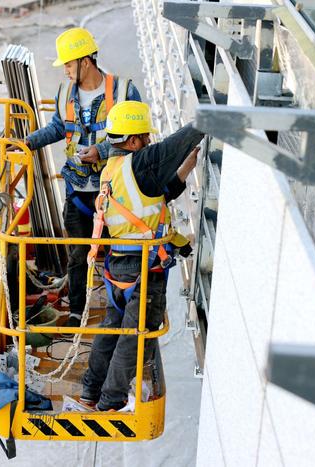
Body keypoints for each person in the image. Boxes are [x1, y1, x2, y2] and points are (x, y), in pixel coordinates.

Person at [80, 101, 203, 411]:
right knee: (134, 337)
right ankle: (111, 400)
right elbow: (178, 142)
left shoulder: (114, 170)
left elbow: (151, 201)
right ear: (133, 141)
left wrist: (186, 168)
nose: (149, 143)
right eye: (145, 138)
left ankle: (90, 390)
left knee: (113, 328)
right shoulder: (140, 162)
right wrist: (211, 118)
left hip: (119, 265)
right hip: (144, 268)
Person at [25, 27, 142, 327]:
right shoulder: (65, 93)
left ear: (85, 62)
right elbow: (56, 128)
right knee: (77, 254)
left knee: (119, 253)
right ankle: (77, 310)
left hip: (113, 192)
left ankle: (119, 313)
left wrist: (102, 151)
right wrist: (25, 143)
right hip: (77, 189)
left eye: (68, 63)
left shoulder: (124, 91)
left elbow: (138, 138)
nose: (65, 70)